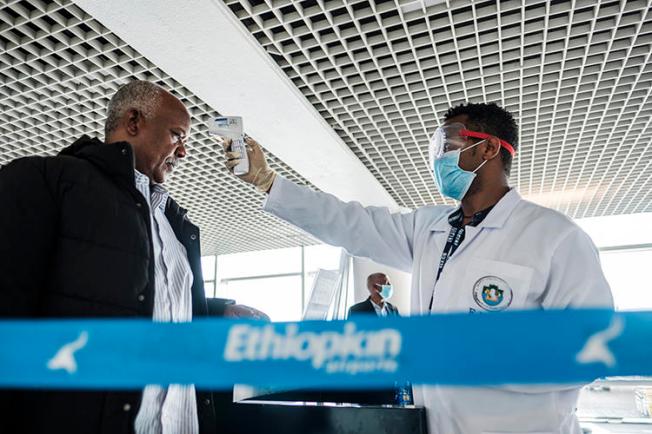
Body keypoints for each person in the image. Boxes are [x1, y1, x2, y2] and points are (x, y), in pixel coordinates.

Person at [222, 102, 614, 434]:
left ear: (488, 150)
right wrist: (269, 182)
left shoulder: (553, 237)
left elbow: (593, 349)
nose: (439, 156)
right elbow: (352, 223)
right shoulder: (431, 228)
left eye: (450, 143)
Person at [0, 80, 227, 434]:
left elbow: (155, 306)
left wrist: (219, 312)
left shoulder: (176, 224)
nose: (183, 152)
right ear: (134, 122)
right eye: (176, 135)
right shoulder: (45, 181)